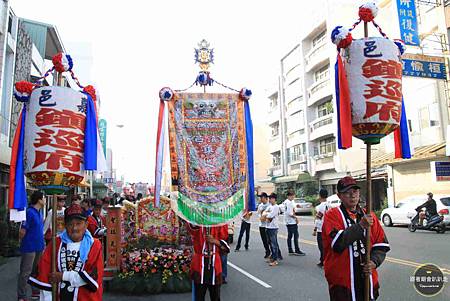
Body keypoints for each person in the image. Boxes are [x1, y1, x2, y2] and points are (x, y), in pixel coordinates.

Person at [322, 176, 390, 301]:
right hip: (343, 283)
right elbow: (338, 244)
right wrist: (361, 226)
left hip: (367, 280)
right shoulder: (332, 215)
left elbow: (381, 245)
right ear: (339, 196)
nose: (352, 195)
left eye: (355, 191)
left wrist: (374, 262)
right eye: (347, 192)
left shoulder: (369, 216)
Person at [28, 204, 104, 300]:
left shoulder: (94, 245)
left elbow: (92, 277)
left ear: (86, 225)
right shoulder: (55, 243)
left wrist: (63, 276)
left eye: (78, 223)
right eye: (70, 224)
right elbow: (45, 274)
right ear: (65, 225)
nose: (74, 228)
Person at [187, 224, 230, 301]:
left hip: (215, 266)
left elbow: (226, 246)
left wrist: (214, 241)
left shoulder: (220, 223)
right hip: (200, 264)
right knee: (199, 295)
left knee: (215, 296)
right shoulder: (197, 221)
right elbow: (192, 229)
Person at [17, 191, 46, 301]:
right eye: (43, 198)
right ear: (39, 199)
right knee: (25, 272)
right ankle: (21, 296)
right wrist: (22, 242)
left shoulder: (39, 212)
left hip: (38, 246)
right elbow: (22, 230)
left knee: (36, 271)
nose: (45, 200)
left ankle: (35, 291)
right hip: (29, 247)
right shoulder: (29, 212)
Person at [283, 191, 305, 256]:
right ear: (288, 196)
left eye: (293, 195)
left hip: (288, 221)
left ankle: (290, 250)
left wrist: (298, 205)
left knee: (290, 236)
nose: (293, 197)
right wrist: (296, 218)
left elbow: (293, 206)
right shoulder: (289, 203)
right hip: (291, 222)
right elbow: (290, 213)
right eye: (292, 196)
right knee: (295, 235)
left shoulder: (287, 202)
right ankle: (297, 250)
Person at [264, 193, 281, 266]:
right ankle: (272, 257)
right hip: (268, 227)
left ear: (274, 199)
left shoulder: (276, 207)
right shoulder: (269, 206)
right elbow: (263, 213)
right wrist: (266, 214)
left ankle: (275, 259)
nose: (270, 200)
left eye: (271, 198)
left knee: (274, 244)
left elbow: (271, 215)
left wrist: (267, 214)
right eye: (269, 198)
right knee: (270, 243)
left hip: (273, 227)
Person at [313, 188, 329, 267]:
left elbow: (318, 219)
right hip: (329, 228)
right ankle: (324, 260)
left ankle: (323, 261)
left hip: (321, 229)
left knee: (321, 246)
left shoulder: (319, 207)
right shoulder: (330, 205)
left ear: (320, 196)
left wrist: (315, 229)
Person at [257, 192, 271, 259]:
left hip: (268, 226)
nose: (261, 199)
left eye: (262, 198)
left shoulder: (270, 205)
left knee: (270, 240)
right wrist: (262, 217)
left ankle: (276, 253)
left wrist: (264, 216)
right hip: (261, 225)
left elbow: (270, 214)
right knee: (264, 240)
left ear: (266, 198)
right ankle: (267, 251)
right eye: (260, 198)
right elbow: (259, 214)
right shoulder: (260, 206)